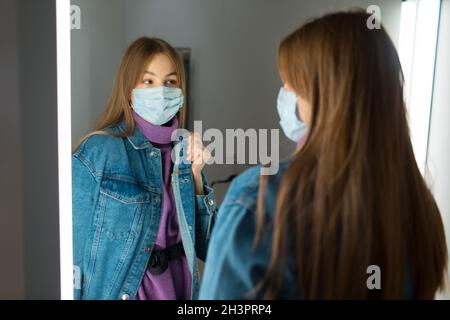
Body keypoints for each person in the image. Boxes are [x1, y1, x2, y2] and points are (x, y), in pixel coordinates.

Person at [199, 11, 448, 299]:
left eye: (292, 86)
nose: (285, 96)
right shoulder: (416, 205)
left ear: (326, 95)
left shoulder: (263, 197)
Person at [72, 37, 218, 300]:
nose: (160, 91)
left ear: (181, 93)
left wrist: (196, 176)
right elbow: (72, 252)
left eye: (170, 82)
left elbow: (211, 249)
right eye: (148, 81)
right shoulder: (96, 152)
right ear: (129, 90)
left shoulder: (184, 154)